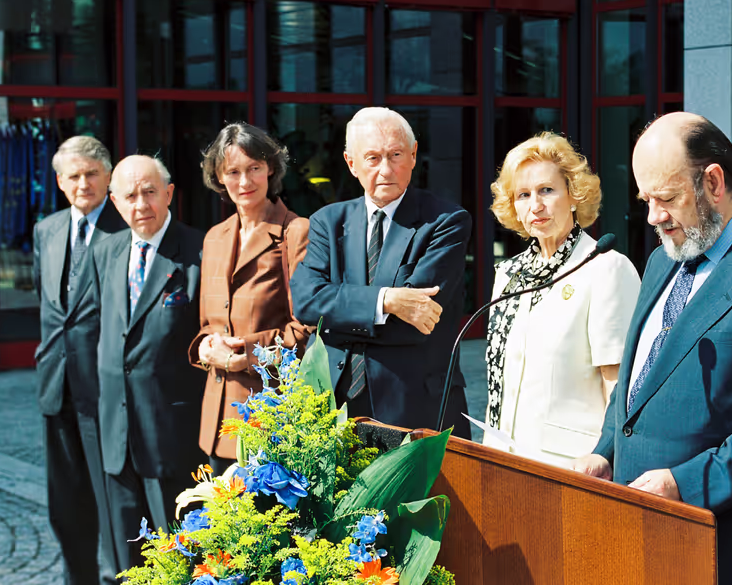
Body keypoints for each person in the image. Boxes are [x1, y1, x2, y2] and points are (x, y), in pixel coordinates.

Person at [572, 112, 732, 584]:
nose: (652, 216)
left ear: (713, 181)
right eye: (645, 199)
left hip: (730, 545)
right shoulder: (660, 260)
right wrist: (606, 451)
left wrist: (684, 483)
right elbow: (641, 381)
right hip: (645, 535)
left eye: (667, 198)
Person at [290, 107, 472, 438]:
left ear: (414, 154)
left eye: (396, 155)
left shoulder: (446, 222)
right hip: (333, 409)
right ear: (351, 163)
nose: (386, 169)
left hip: (415, 409)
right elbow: (305, 301)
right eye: (373, 158)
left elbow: (419, 320)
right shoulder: (327, 222)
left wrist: (338, 318)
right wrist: (387, 300)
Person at [484, 133, 640, 467]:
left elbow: (619, 386)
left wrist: (608, 457)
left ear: (573, 195)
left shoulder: (605, 268)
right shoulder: (509, 273)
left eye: (546, 190)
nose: (535, 205)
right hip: (502, 459)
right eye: (523, 195)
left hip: (573, 467)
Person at [82, 155, 206, 570]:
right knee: (124, 559)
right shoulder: (105, 251)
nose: (141, 204)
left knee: (181, 557)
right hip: (117, 433)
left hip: (173, 431)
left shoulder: (199, 251)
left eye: (150, 192)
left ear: (169, 194)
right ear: (114, 202)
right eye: (130, 196)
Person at [189, 123, 313, 472]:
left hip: (269, 417)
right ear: (218, 176)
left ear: (271, 168)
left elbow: (306, 332)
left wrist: (246, 355)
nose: (244, 182)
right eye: (233, 171)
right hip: (217, 421)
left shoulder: (295, 231)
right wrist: (204, 346)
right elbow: (208, 324)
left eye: (254, 168)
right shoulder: (214, 237)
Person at [32, 135, 124, 585]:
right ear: (59, 182)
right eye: (74, 176)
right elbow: (50, 309)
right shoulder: (45, 231)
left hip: (105, 390)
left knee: (109, 501)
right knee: (65, 503)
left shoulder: (126, 228)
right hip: (56, 387)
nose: (83, 183)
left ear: (108, 177)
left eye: (92, 174)